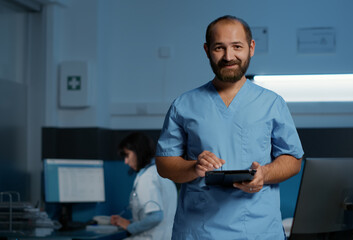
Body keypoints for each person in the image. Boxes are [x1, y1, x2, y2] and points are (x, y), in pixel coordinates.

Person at [155, 15, 304, 239]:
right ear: (207, 50)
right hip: (199, 231)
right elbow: (165, 164)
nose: (228, 56)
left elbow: (293, 160)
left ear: (251, 48)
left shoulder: (272, 103)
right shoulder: (183, 105)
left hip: (258, 231)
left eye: (237, 46)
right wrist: (194, 167)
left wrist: (264, 173)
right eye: (219, 48)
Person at [111, 132, 177, 240]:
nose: (126, 162)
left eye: (127, 155)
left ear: (138, 152)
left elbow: (156, 216)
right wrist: (130, 222)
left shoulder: (147, 178)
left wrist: (130, 227)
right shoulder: (161, 173)